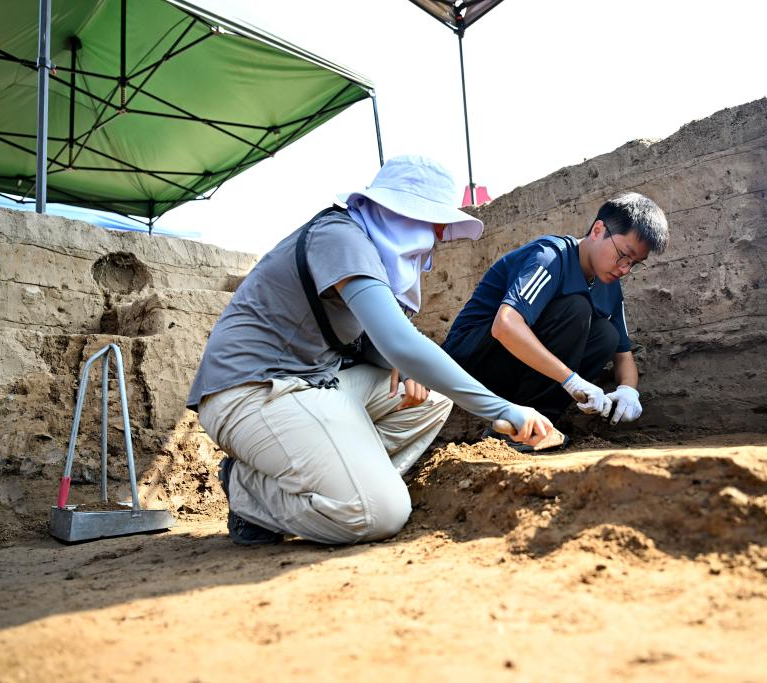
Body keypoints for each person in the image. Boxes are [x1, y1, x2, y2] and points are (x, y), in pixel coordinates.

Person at [187, 155, 552, 546]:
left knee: (431, 399)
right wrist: (502, 408)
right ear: (403, 213)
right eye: (434, 224)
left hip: (312, 384)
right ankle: (247, 490)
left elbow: (378, 345)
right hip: (251, 392)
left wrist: (405, 366)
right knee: (379, 514)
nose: (437, 238)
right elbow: (399, 342)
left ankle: (344, 482)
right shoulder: (341, 238)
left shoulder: (370, 250)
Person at [441, 193, 669, 444]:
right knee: (576, 308)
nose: (625, 269)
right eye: (623, 255)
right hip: (470, 361)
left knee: (606, 336)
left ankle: (537, 424)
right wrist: (571, 380)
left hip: (519, 368)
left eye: (634, 264)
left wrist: (628, 390)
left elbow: (623, 355)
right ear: (598, 230)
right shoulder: (551, 256)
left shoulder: (609, 286)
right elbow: (505, 325)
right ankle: (520, 430)